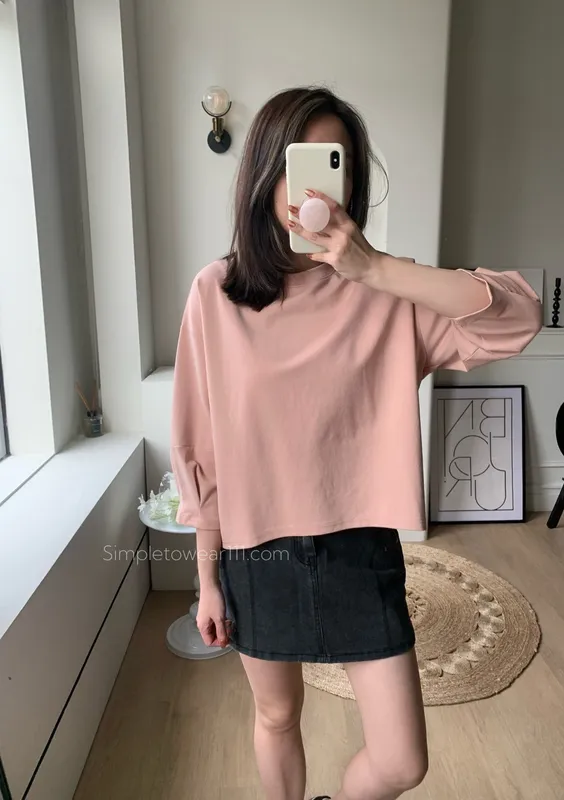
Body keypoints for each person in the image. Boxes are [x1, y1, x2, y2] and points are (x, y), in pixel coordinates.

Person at [170, 87, 542, 800]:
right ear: (263, 174)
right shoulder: (216, 293)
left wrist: (375, 269)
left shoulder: (387, 294)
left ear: (351, 184)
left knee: (402, 761)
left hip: (359, 548)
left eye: (332, 164)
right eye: (296, 163)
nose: (311, 188)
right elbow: (202, 450)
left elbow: (517, 317)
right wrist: (207, 580)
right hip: (257, 549)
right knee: (276, 716)